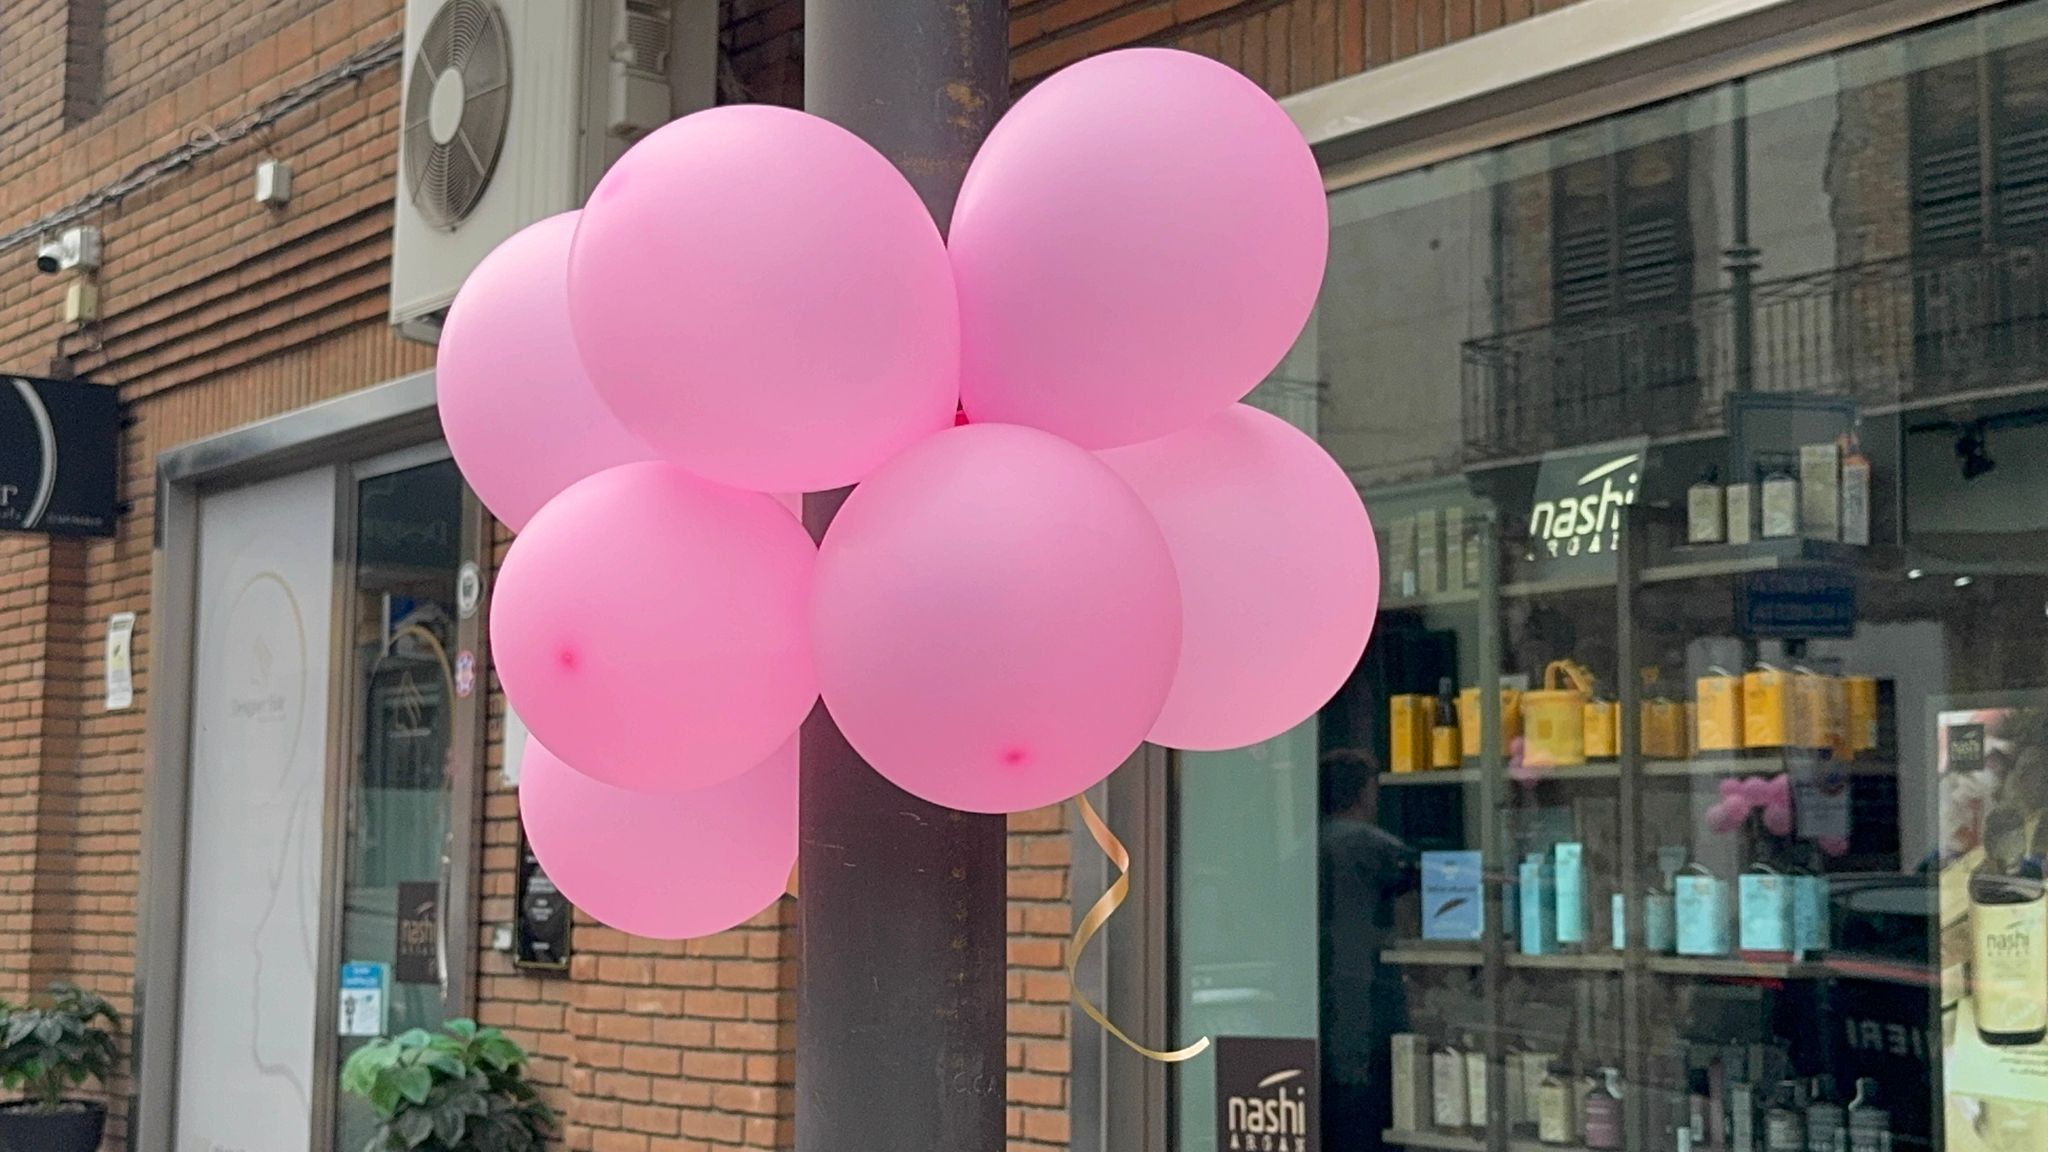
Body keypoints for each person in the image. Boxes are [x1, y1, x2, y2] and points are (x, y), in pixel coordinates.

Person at [1320, 748, 1418, 1151]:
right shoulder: (1369, 842)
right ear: (1364, 794)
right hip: (1368, 988)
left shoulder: (1308, 843)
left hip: (1328, 987)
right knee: (1376, 1096)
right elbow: (1436, 882)